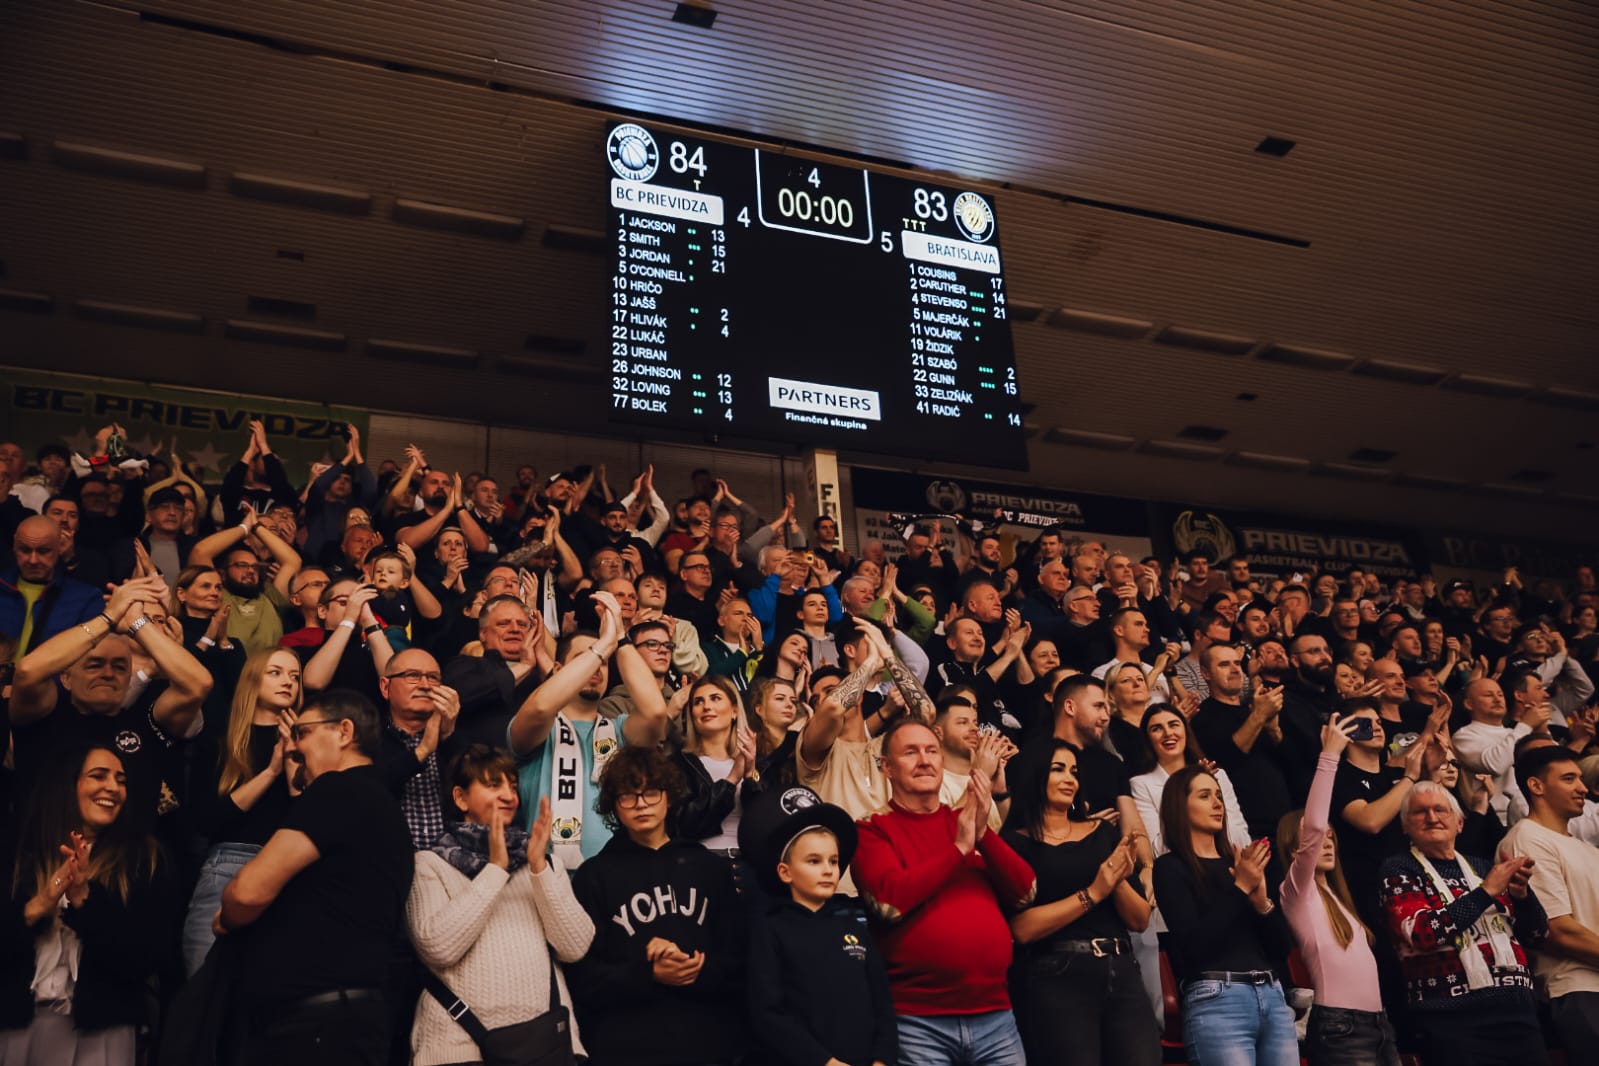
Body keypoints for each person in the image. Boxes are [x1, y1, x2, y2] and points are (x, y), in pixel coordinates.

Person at [217, 689, 416, 1066]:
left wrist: (226, 917)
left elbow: (246, 893)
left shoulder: (338, 790)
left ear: (344, 732)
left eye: (302, 733)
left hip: (313, 1029)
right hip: (352, 1020)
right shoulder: (384, 807)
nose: (293, 747)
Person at [852, 718, 1037, 1066]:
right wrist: (958, 848)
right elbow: (888, 903)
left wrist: (981, 834)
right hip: (918, 1020)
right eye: (910, 752)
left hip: (996, 1015)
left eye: (931, 751)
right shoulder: (871, 828)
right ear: (887, 768)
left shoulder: (965, 822)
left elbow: (1026, 892)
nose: (924, 760)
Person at [406, 745, 595, 1066]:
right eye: (494, 785)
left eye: (513, 786)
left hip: (545, 1043)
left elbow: (575, 946)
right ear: (461, 798)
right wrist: (495, 869)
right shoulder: (429, 863)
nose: (509, 795)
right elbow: (438, 947)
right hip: (457, 1044)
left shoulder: (539, 860)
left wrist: (538, 867)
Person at [568, 745, 748, 1066]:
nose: (641, 804)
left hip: (708, 1043)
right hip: (626, 1047)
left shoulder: (708, 867)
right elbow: (582, 979)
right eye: (627, 795)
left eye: (651, 791)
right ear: (613, 805)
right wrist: (648, 973)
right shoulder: (593, 876)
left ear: (669, 795)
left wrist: (695, 967)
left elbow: (739, 961)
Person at [0, 745, 177, 1065]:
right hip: (15, 1028)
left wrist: (84, 898)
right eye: (99, 776)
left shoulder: (145, 860)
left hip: (102, 1033)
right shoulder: (18, 852)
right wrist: (36, 906)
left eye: (121, 780)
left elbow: (146, 958)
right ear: (67, 786)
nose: (113, 787)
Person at [1004, 740, 1157, 1066]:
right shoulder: (1015, 843)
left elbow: (1140, 919)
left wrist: (1114, 880)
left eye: (1074, 771)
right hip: (1057, 975)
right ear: (1036, 774)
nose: (1070, 778)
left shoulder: (1101, 831)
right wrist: (1093, 893)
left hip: (1122, 968)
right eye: (1058, 769)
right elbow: (1020, 929)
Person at [1378, 779, 1548, 1064]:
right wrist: (1486, 893)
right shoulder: (1399, 869)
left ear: (1459, 823)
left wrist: (1522, 896)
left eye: (1440, 810)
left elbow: (1538, 935)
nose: (1431, 817)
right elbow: (1421, 933)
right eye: (1420, 812)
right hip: (1453, 1021)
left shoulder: (1484, 868)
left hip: (1519, 1017)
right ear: (1405, 826)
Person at [505, 590, 671, 866]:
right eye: (585, 659)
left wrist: (619, 638)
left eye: (604, 661)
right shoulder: (539, 727)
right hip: (546, 875)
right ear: (559, 670)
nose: (597, 665)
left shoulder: (619, 730)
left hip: (615, 876)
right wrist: (601, 647)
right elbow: (542, 708)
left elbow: (655, 713)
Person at [1153, 765, 1298, 1066]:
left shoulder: (1239, 863)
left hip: (1271, 995)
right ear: (1180, 805)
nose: (1218, 803)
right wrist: (1241, 887)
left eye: (1218, 795)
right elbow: (1196, 947)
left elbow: (1281, 949)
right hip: (1217, 999)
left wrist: (1262, 903)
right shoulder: (1170, 868)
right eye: (1205, 796)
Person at [741, 785, 896, 1066]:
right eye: (814, 861)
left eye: (833, 861)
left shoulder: (854, 928)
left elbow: (882, 1004)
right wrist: (824, 1061)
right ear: (785, 872)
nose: (828, 869)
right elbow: (768, 1013)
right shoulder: (771, 929)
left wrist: (882, 1058)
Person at [1279, 714, 1401, 1066]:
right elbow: (1315, 825)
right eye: (1317, 840)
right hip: (1339, 1026)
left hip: (1379, 1024)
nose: (1326, 842)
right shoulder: (1295, 891)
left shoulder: (1338, 898)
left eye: (1332, 838)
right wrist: (1329, 755)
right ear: (1295, 848)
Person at [181, 648, 301, 975]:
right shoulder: (222, 741)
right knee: (201, 985)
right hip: (228, 864)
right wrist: (270, 771)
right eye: (275, 672)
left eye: (294, 676)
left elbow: (307, 814)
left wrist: (293, 761)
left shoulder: (307, 743)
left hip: (286, 868)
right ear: (252, 679)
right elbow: (206, 820)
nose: (287, 682)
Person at [1500, 745, 1599, 1051]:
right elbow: (1556, 929)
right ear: (1536, 786)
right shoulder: (1528, 837)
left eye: (1581, 779)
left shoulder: (1587, 848)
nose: (1582, 788)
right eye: (1569, 779)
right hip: (1577, 988)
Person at [668, 675, 760, 865]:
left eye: (715, 698)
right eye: (698, 702)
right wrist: (732, 780)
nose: (706, 706)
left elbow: (762, 823)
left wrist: (750, 776)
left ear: (734, 711)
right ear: (691, 714)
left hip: (748, 866)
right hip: (700, 864)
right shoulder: (679, 763)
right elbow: (685, 825)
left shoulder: (753, 761)